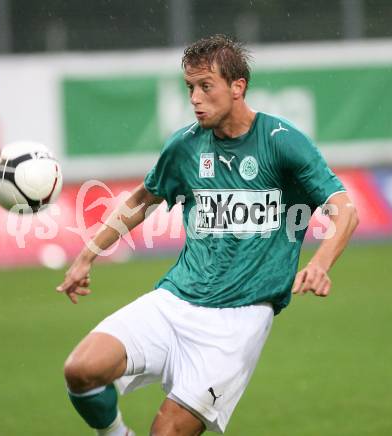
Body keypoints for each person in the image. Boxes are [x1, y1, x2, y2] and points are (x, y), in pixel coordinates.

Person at [56, 34, 359, 436]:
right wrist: (86, 254)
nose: (195, 98)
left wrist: (320, 263)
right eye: (189, 88)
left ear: (238, 87)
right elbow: (140, 200)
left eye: (205, 86)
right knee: (81, 370)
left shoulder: (281, 142)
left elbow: (345, 209)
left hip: (238, 322)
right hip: (175, 300)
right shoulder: (185, 146)